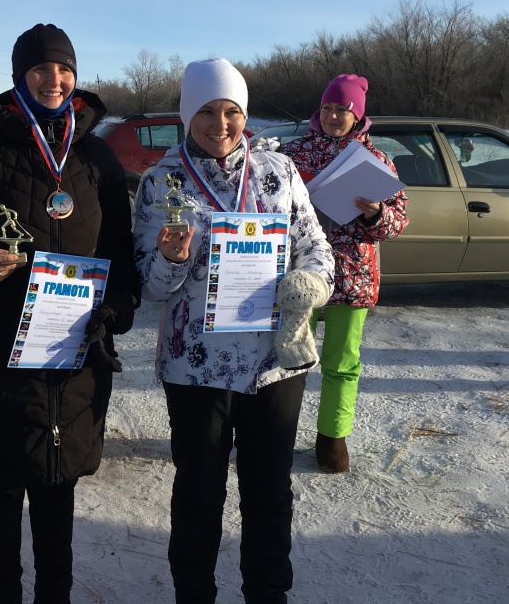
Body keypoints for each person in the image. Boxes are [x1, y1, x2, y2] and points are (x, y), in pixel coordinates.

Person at [0, 23, 140, 604]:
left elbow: (121, 251)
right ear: (20, 75)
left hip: (73, 358)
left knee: (57, 502)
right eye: (42, 69)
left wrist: (115, 309)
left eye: (64, 69)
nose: (55, 79)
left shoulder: (97, 158)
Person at [133, 58, 335, 604]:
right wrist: (172, 260)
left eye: (231, 112)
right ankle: (193, 594)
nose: (220, 124)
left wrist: (312, 285)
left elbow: (316, 246)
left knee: (268, 494)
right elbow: (150, 287)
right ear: (186, 114)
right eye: (206, 112)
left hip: (273, 362)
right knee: (198, 495)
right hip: (195, 366)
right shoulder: (161, 180)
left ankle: (268, 594)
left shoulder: (280, 171)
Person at [280, 73, 409, 473]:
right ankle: (275, 433)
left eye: (343, 109)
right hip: (298, 274)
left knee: (342, 363)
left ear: (358, 116)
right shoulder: (291, 155)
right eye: (328, 108)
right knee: (285, 358)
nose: (334, 115)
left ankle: (332, 440)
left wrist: (376, 212)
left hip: (353, 278)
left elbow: (397, 223)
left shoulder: (377, 162)